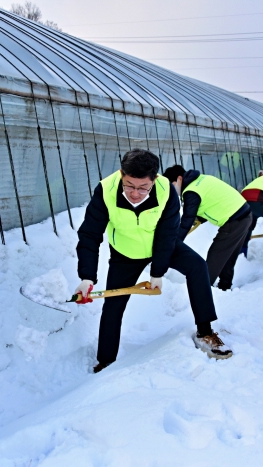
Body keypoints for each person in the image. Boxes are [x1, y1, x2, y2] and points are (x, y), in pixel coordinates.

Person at [75, 150, 233, 373]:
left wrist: (157, 272)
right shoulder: (106, 190)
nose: (135, 194)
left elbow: (167, 234)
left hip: (160, 243)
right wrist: (86, 277)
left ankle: (205, 331)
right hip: (125, 251)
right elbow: (90, 235)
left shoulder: (165, 189)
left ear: (154, 180)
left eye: (142, 187)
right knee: (114, 304)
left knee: (197, 266)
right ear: (122, 174)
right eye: (129, 185)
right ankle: (106, 360)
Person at [162, 165, 252, 292]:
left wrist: (174, 243)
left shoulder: (191, 191)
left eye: (172, 185)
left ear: (179, 179)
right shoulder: (201, 179)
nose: (172, 190)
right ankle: (224, 287)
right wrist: (198, 219)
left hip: (234, 221)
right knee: (227, 255)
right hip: (244, 213)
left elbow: (187, 220)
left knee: (216, 256)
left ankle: (202, 290)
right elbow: (211, 201)